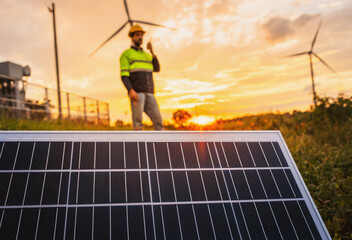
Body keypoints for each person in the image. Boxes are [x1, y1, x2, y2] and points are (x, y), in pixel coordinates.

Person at [119, 24, 163, 130]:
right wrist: (130, 90)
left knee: (159, 121)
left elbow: (157, 69)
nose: (140, 37)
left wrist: (152, 52)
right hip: (137, 94)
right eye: (137, 35)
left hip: (150, 93)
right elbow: (124, 75)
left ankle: (161, 145)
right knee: (138, 124)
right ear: (132, 37)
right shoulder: (126, 54)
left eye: (141, 35)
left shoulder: (147, 55)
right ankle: (139, 146)